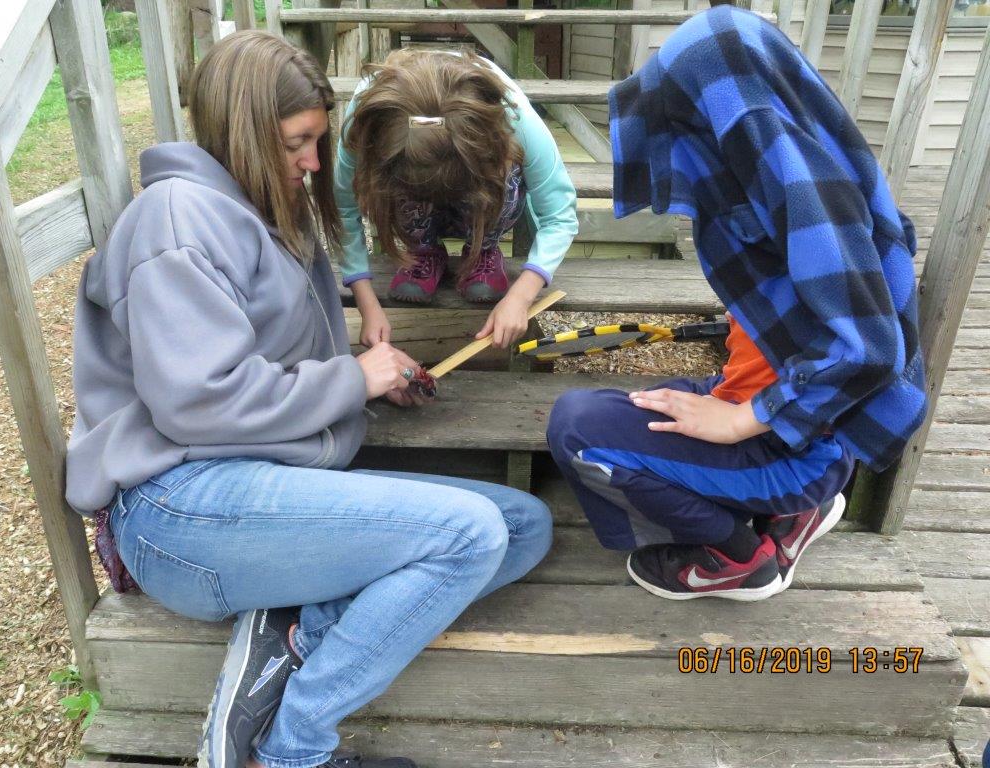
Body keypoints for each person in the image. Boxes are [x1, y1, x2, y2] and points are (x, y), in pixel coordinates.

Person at [65, 31, 552, 768]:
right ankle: (289, 750)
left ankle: (292, 634)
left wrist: (370, 378)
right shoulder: (176, 223)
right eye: (299, 142)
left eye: (319, 141)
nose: (314, 164)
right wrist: (351, 381)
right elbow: (198, 403)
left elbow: (269, 371)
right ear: (245, 130)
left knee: (521, 526)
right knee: (469, 537)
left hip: (261, 486)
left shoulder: (261, 210)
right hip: (178, 506)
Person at [546, 5, 926, 601]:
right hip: (786, 415)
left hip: (791, 442)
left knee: (577, 429)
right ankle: (793, 514)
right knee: (609, 405)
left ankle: (738, 557)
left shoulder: (807, 198)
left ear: (729, 124)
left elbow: (871, 351)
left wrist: (740, 422)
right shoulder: (797, 166)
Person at [335, 49, 578, 349]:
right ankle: (422, 250)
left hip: (482, 199)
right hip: (413, 199)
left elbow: (559, 216)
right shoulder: (369, 117)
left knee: (507, 174)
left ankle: (482, 250)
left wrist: (521, 295)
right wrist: (368, 307)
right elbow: (343, 209)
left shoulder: (513, 114)